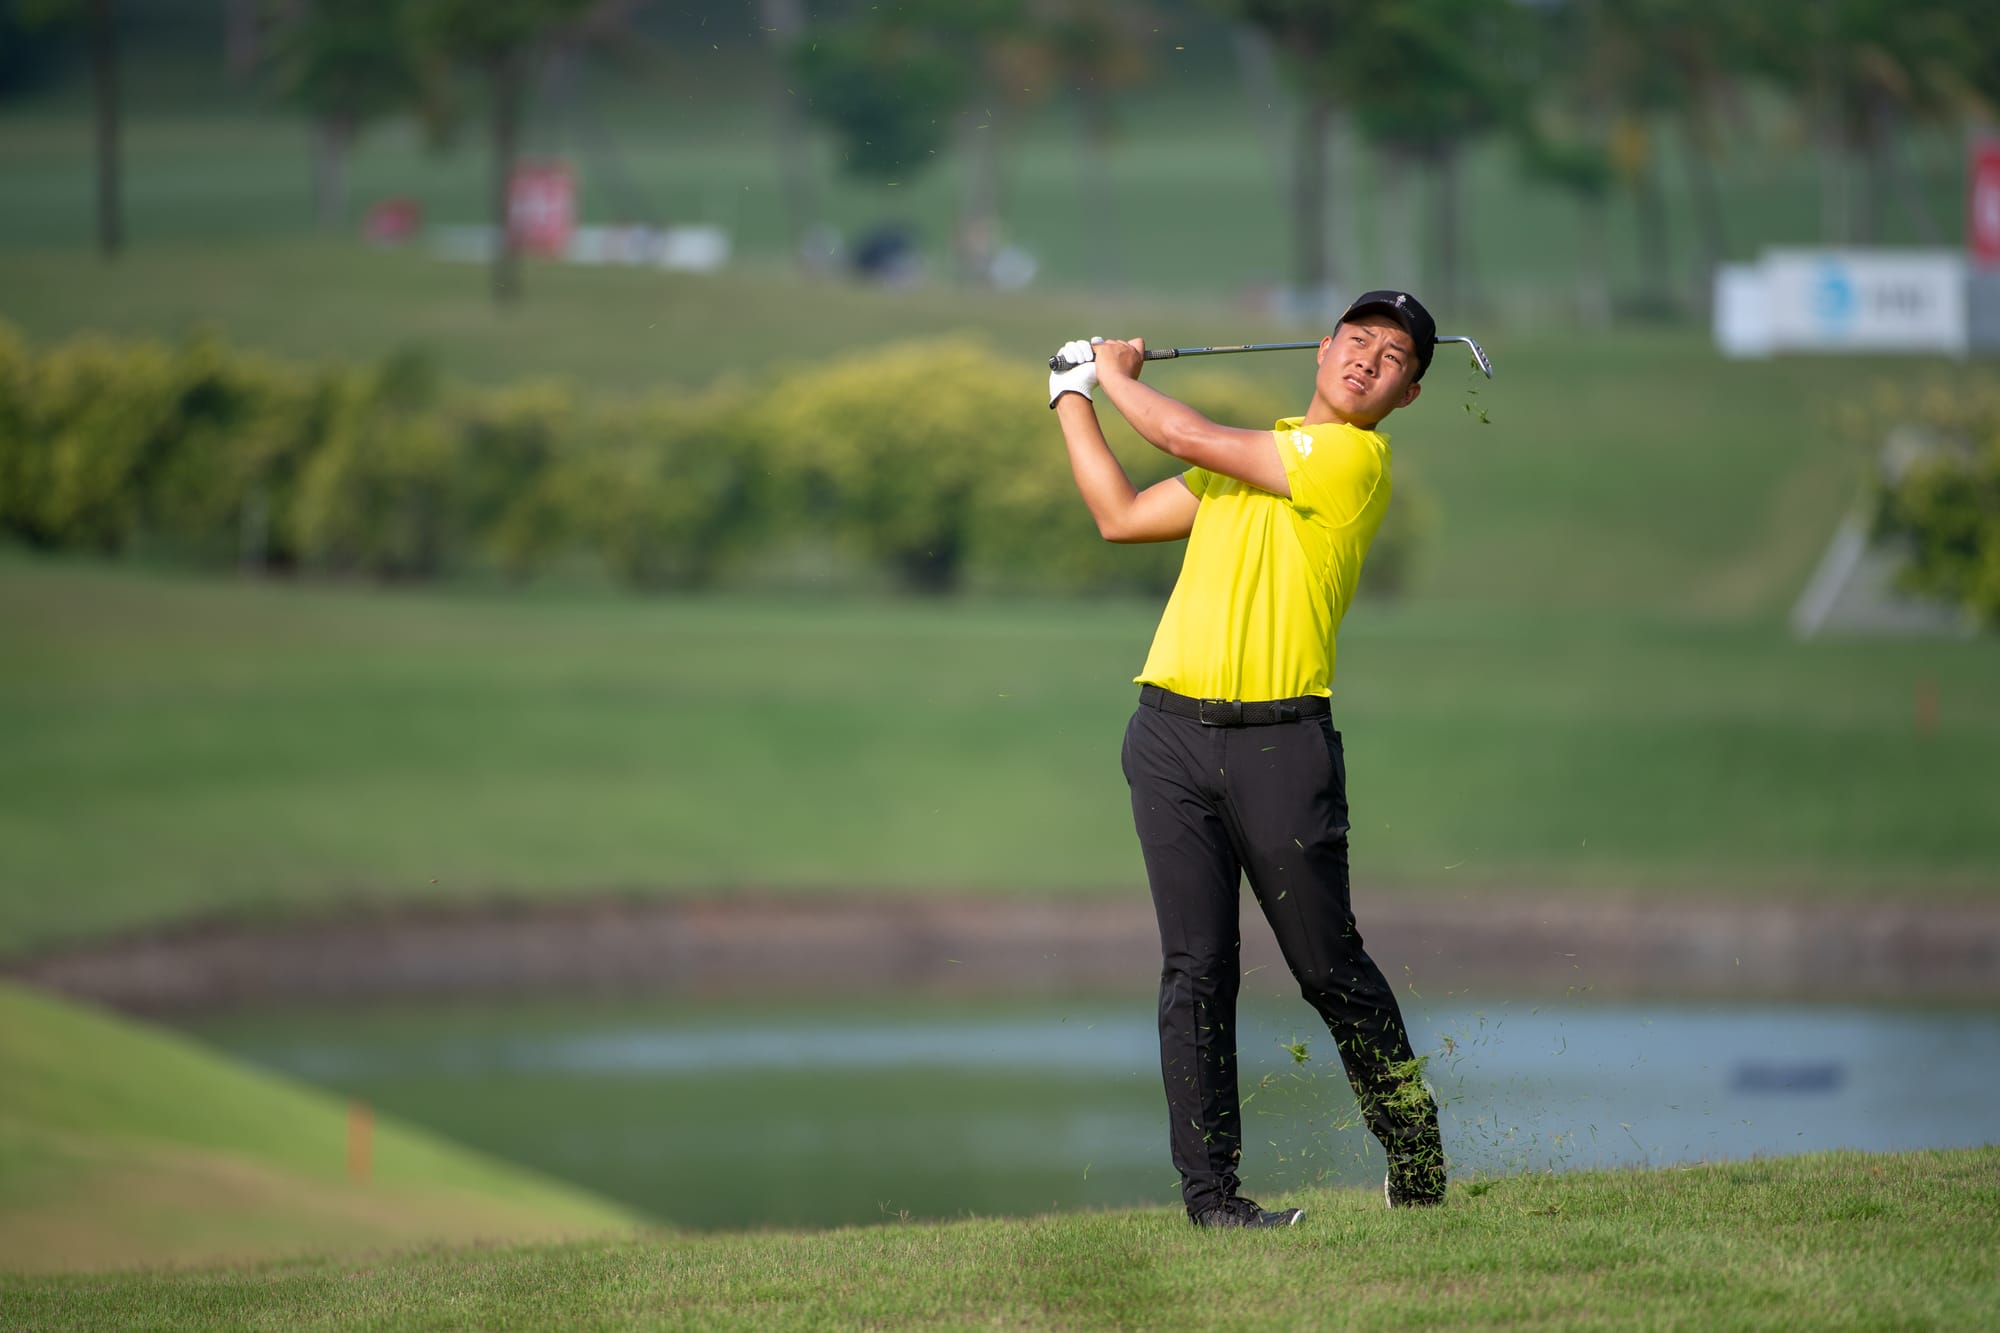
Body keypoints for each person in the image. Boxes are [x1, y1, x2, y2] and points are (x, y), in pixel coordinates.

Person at [1047, 291, 1448, 1229]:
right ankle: (1214, 1202)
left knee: (1327, 965)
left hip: (1281, 743)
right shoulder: (1249, 461)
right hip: (1168, 737)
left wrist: (1113, 373)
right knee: (1196, 970)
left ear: (1408, 394)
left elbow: (1182, 433)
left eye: (1392, 357)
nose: (1366, 360)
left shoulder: (1352, 461)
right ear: (1323, 347)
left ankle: (1416, 1156)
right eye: (1357, 340)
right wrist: (1071, 397)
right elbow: (1119, 515)